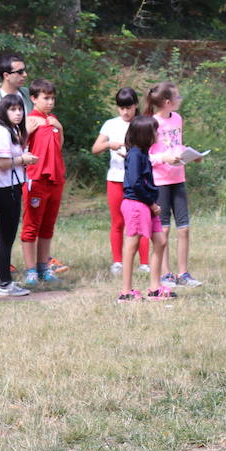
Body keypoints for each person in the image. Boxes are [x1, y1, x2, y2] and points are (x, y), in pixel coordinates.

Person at [146, 81, 202, 288]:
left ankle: (184, 273)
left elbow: (177, 145)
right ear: (167, 102)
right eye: (178, 97)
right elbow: (146, 157)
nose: (180, 100)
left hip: (179, 178)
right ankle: (165, 273)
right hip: (160, 181)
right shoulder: (151, 123)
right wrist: (164, 159)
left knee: (184, 228)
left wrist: (191, 155)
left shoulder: (178, 119)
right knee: (165, 229)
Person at [0, 95, 37, 296]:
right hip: (4, 189)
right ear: (3, 112)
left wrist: (22, 158)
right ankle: (5, 283)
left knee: (2, 237)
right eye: (12, 110)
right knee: (6, 237)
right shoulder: (1, 133)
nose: (18, 113)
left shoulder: (11, 130)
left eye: (20, 109)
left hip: (10, 186)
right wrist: (23, 158)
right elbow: (1, 163)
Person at [92, 87, 150, 275]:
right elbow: (95, 148)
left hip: (139, 180)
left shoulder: (143, 124)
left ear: (136, 106)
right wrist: (109, 144)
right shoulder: (111, 124)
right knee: (118, 222)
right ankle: (118, 261)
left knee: (142, 221)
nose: (125, 112)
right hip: (116, 179)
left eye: (129, 108)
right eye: (121, 108)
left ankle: (145, 262)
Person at [116, 115, 172, 302]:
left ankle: (155, 288)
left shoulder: (143, 153)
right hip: (137, 204)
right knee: (131, 245)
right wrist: (152, 203)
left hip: (148, 204)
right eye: (155, 131)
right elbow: (136, 183)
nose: (157, 134)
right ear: (145, 135)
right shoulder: (135, 155)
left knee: (161, 240)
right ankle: (126, 292)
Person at [21, 78, 69, 285]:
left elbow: (58, 146)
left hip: (55, 179)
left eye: (52, 98)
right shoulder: (29, 120)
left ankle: (43, 267)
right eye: (45, 98)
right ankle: (30, 269)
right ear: (33, 98)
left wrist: (59, 127)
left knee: (48, 226)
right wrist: (27, 132)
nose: (50, 102)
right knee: (31, 226)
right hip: (36, 178)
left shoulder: (53, 120)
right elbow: (17, 147)